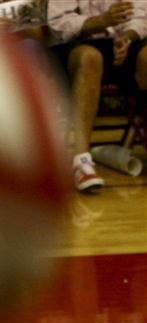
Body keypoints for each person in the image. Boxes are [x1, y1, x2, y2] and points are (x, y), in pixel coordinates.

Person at [47, 0, 147, 192]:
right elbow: (59, 25)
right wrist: (102, 21)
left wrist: (126, 38)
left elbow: (141, 15)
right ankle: (81, 161)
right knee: (90, 58)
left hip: (121, 41)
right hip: (77, 43)